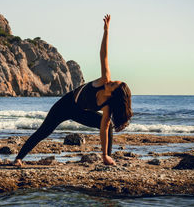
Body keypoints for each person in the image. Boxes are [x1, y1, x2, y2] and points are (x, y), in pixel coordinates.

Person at [14, 14, 132, 166]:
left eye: (114, 84)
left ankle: (107, 158)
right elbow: (104, 55)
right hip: (66, 104)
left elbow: (103, 130)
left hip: (81, 112)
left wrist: (103, 154)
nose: (112, 81)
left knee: (107, 126)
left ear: (114, 94)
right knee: (44, 131)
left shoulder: (108, 106)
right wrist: (106, 31)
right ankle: (18, 158)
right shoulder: (104, 79)